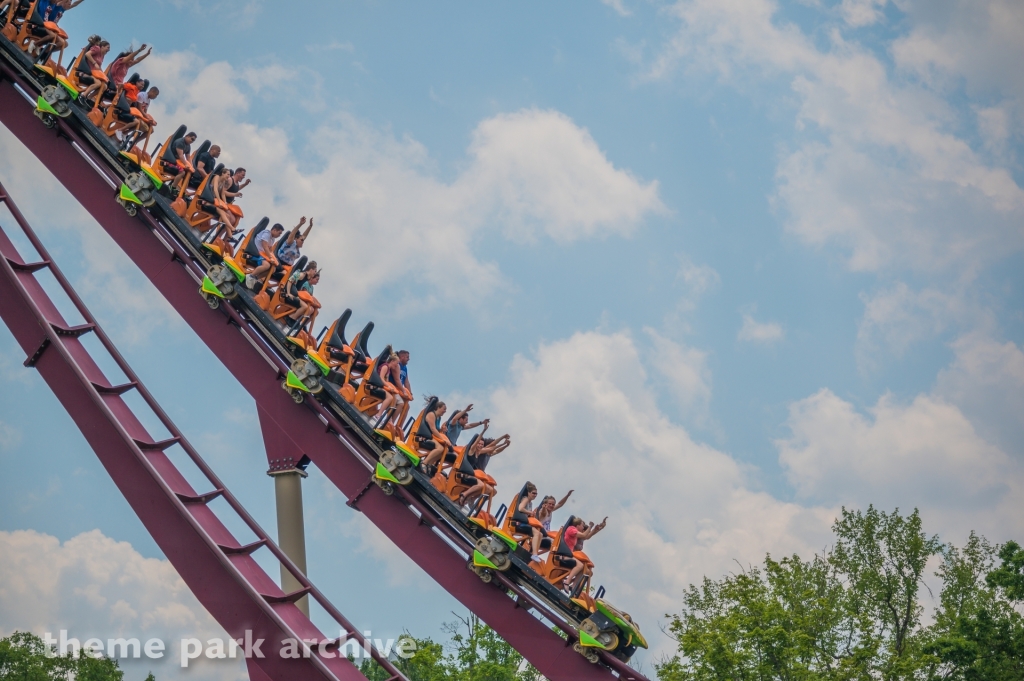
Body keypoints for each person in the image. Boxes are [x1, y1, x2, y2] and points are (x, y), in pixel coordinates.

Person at [561, 516, 607, 592]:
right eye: (582, 527)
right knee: (581, 565)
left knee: (586, 570)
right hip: (565, 555)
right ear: (578, 525)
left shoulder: (577, 535)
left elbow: (587, 536)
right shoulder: (573, 532)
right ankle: (567, 582)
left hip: (571, 556)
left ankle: (574, 586)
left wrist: (599, 528)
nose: (583, 529)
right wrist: (591, 526)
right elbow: (585, 535)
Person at [245, 222, 285, 290]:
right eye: (279, 233)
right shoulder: (267, 233)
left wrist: (274, 259)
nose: (279, 235)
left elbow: (270, 250)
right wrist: (270, 257)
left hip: (262, 255)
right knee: (266, 265)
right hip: (256, 253)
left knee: (273, 269)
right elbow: (265, 246)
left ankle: (256, 278)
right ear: (274, 230)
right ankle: (250, 276)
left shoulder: (273, 239)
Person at [416, 398, 450, 471]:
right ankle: (424, 462)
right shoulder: (431, 414)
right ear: (438, 407)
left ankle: (429, 463)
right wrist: (443, 439)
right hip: (425, 436)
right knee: (440, 448)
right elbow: (433, 429)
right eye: (444, 409)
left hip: (432, 436)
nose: (445, 411)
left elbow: (437, 430)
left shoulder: (439, 418)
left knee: (446, 450)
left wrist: (441, 430)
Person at [76, 36, 109, 105]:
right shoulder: (97, 49)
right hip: (85, 72)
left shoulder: (102, 56)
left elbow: (99, 67)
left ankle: (89, 98)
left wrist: (105, 76)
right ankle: (83, 96)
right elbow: (87, 54)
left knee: (104, 86)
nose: (108, 50)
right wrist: (94, 63)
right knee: (98, 83)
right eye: (107, 47)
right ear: (102, 46)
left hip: (93, 74)